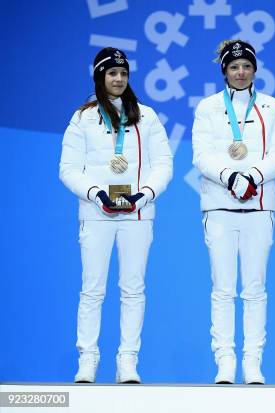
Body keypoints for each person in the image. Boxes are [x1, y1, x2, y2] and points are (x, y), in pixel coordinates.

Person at [60, 47, 173, 383]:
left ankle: (127, 361)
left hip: (137, 215)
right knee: (92, 289)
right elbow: (68, 169)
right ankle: (88, 360)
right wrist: (96, 194)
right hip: (96, 215)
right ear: (100, 77)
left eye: (123, 74)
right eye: (112, 73)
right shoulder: (83, 117)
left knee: (133, 289)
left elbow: (164, 164)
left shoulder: (147, 116)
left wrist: (143, 195)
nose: (119, 79)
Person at [192, 39, 275, 385]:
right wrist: (230, 177)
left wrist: (251, 176)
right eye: (234, 66)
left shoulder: (272, 107)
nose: (240, 72)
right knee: (222, 288)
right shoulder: (207, 108)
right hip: (219, 205)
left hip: (259, 205)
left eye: (246, 66)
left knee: (254, 288)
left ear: (255, 69)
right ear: (224, 70)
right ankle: (225, 361)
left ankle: (253, 362)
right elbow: (202, 155)